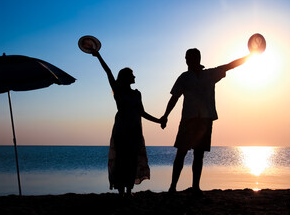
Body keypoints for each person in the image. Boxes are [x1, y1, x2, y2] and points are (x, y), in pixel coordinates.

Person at [161, 48, 253, 195]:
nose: (186, 61)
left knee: (199, 155)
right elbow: (174, 98)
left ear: (196, 59)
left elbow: (230, 65)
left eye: (188, 58)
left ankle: (195, 187)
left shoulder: (210, 74)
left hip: (204, 120)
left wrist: (250, 56)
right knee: (181, 153)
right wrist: (165, 115)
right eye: (186, 58)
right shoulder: (184, 77)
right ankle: (173, 187)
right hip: (188, 120)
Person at [91, 49, 162, 197]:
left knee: (131, 162)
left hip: (135, 131)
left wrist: (159, 121)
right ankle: (121, 191)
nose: (134, 76)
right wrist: (98, 55)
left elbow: (142, 113)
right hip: (121, 131)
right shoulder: (118, 91)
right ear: (126, 77)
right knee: (121, 162)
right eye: (132, 75)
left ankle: (129, 191)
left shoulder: (137, 93)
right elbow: (108, 71)